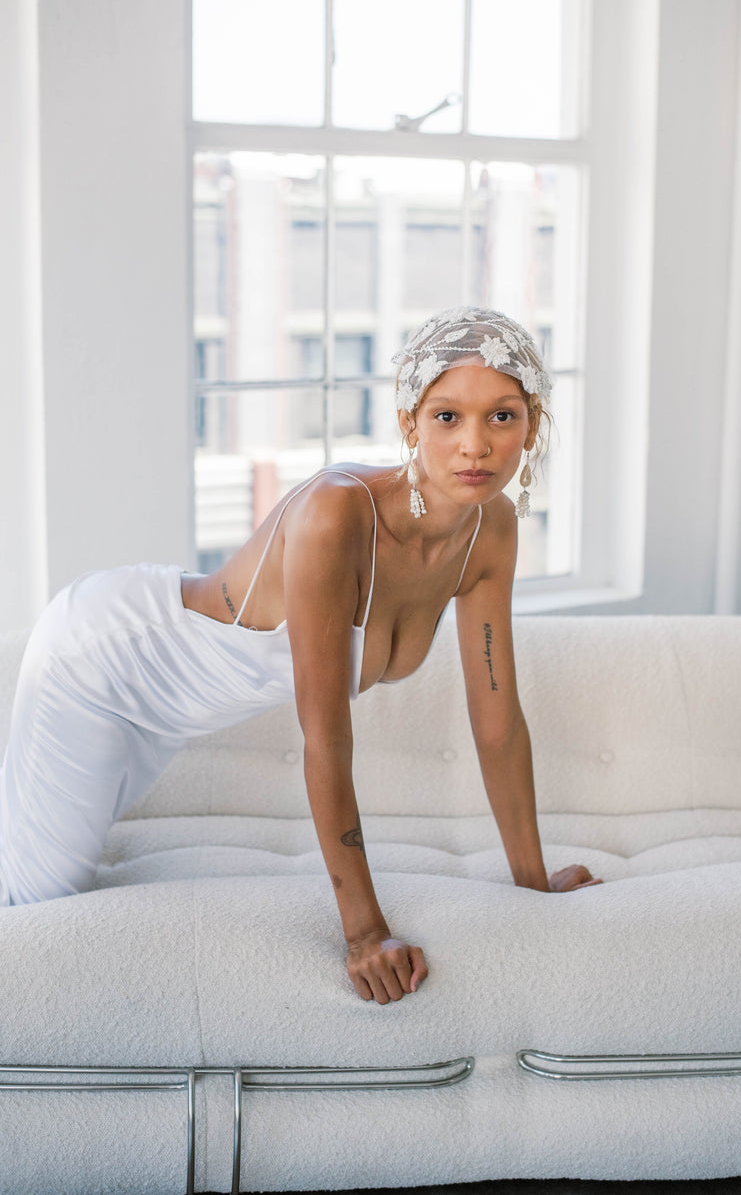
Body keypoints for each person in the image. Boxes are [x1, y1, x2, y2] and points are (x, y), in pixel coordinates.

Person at [0, 306, 601, 1004]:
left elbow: (496, 723)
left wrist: (533, 884)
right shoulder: (335, 514)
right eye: (446, 417)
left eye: (502, 416)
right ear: (409, 422)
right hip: (104, 661)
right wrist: (364, 934)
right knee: (35, 900)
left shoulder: (489, 528)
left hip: (178, 712)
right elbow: (326, 738)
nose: (475, 445)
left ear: (533, 424)